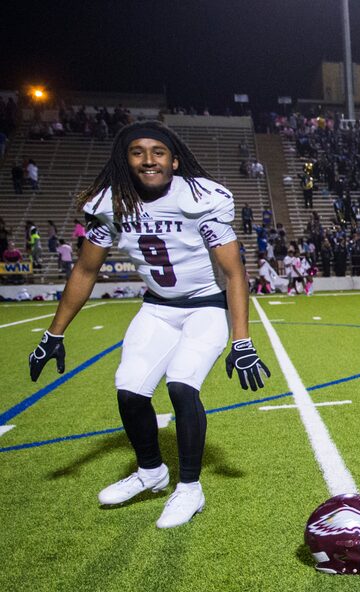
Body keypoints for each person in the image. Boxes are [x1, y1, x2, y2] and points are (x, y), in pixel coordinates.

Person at [27, 121, 271, 529]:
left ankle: (190, 489)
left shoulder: (198, 198)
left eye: (158, 151)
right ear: (125, 159)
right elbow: (86, 270)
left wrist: (242, 340)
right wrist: (54, 332)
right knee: (130, 390)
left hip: (205, 307)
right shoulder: (111, 204)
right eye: (137, 151)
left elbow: (233, 274)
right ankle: (151, 472)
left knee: (181, 384)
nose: (148, 159)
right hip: (157, 308)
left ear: (174, 160)